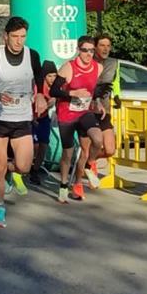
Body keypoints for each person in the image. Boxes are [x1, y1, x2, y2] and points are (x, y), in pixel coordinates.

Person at [0, 17, 48, 225]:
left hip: (22, 117)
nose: (19, 41)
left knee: (24, 167)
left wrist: (41, 95)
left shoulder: (32, 55)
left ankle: (6, 170)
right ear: (5, 36)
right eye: (15, 36)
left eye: (23, 36)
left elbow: (39, 76)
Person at [50, 35, 102, 203]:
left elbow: (94, 89)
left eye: (92, 50)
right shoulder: (68, 67)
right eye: (85, 50)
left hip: (84, 112)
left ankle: (88, 167)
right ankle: (64, 185)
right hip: (67, 114)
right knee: (68, 153)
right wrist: (72, 93)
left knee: (97, 139)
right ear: (78, 50)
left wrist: (98, 102)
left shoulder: (98, 68)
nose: (88, 54)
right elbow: (54, 91)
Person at [89, 34, 121, 188]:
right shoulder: (88, 61)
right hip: (88, 109)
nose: (105, 49)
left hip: (105, 109)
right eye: (102, 45)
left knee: (110, 150)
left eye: (108, 46)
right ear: (95, 47)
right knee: (96, 141)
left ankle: (90, 160)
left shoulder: (113, 63)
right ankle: (87, 165)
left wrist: (117, 96)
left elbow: (116, 81)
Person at [30, 60, 59, 186]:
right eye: (49, 76)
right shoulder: (38, 87)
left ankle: (35, 171)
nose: (52, 79)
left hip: (44, 119)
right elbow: (33, 101)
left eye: (54, 76)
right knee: (34, 146)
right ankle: (23, 167)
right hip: (32, 118)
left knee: (44, 146)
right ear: (44, 76)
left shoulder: (54, 88)